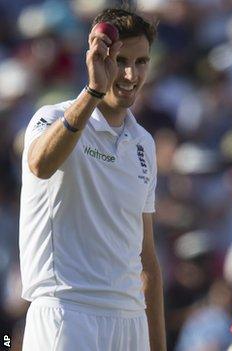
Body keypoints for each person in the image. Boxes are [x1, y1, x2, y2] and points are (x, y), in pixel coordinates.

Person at [19, 8, 165, 351]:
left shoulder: (144, 142)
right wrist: (93, 92)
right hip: (67, 313)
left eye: (141, 61)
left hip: (130, 320)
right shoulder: (52, 117)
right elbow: (40, 164)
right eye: (121, 60)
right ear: (99, 59)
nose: (130, 74)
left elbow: (147, 261)